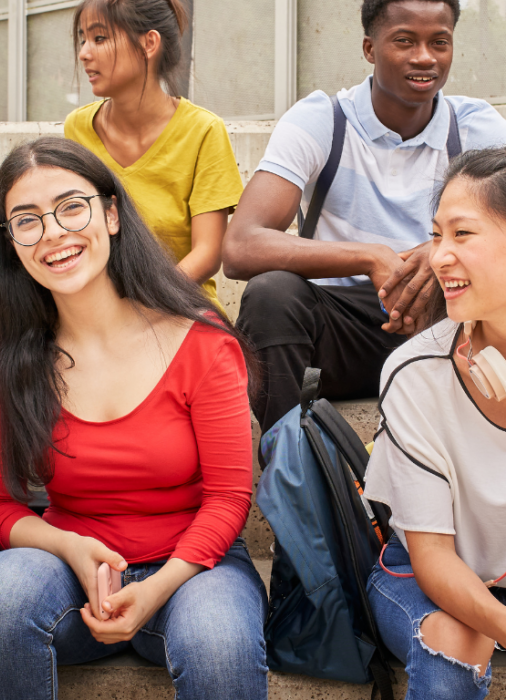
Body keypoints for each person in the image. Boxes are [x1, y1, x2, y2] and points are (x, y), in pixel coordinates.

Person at [0, 137, 268, 700]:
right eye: (26, 220)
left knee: (219, 644)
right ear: (10, 243)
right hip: (69, 566)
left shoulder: (200, 342)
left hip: (196, 567)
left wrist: (155, 589)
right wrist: (71, 548)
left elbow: (229, 497)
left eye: (71, 207)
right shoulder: (2, 356)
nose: (53, 232)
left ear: (112, 213)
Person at [222, 0, 506, 444]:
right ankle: (292, 473)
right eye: (405, 41)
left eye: (439, 42)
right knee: (271, 295)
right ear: (370, 49)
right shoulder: (323, 120)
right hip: (338, 333)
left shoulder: (473, 127)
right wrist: (371, 256)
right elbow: (241, 247)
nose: (425, 57)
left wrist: (442, 249)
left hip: (442, 321)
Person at [363, 146, 506, 698]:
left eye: (462, 235)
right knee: (456, 643)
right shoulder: (414, 372)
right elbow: (435, 563)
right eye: (436, 234)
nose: (439, 256)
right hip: (427, 574)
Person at [63, 0, 243, 308]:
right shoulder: (77, 129)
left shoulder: (203, 130)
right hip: (100, 314)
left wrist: (144, 306)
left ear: (149, 43)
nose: (84, 53)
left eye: (100, 38)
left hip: (181, 308)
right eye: (82, 39)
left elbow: (207, 253)